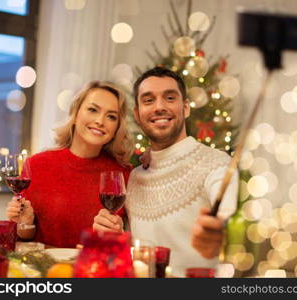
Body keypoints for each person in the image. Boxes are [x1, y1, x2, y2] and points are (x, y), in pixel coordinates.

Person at [93, 67, 239, 277]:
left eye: (170, 98)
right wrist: (111, 233)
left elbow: (229, 217)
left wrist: (221, 227)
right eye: (148, 100)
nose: (159, 107)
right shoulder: (134, 177)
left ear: (186, 108)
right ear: (137, 114)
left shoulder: (217, 163)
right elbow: (133, 252)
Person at [6, 81, 132, 248]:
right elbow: (25, 239)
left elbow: (130, 244)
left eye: (111, 116)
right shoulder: (37, 165)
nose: (100, 121)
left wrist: (118, 236)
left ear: (117, 127)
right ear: (75, 114)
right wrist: (24, 224)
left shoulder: (123, 174)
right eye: (93, 110)